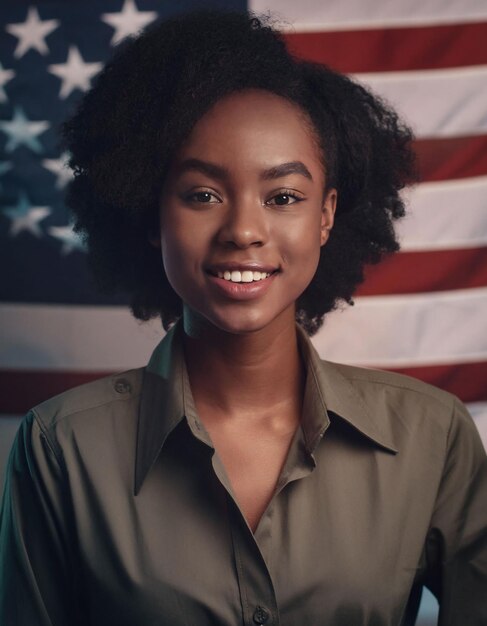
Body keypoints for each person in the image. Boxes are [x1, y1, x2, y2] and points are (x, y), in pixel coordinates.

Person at [0, 9, 486, 626]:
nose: (244, 231)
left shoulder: (431, 436)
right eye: (203, 194)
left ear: (326, 215)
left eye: (283, 197)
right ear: (152, 216)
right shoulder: (60, 448)